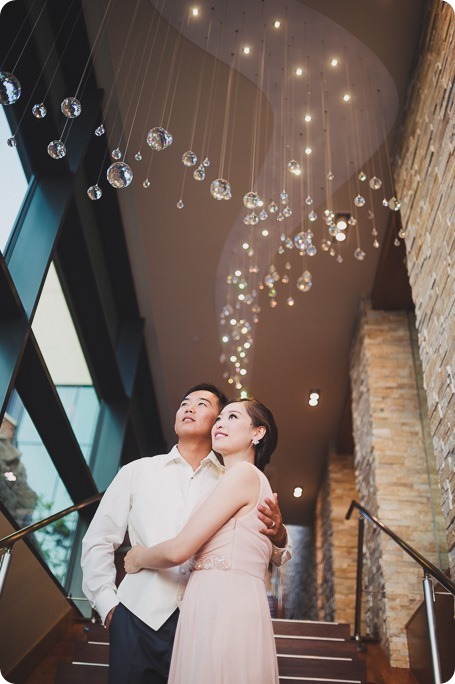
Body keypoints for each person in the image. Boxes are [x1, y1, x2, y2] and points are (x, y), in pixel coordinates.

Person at [81, 383, 290, 683]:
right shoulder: (137, 472)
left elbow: (269, 549)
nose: (189, 408)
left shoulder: (232, 477)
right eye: (184, 403)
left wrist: (280, 534)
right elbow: (99, 540)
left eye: (203, 404)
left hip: (205, 622)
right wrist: (108, 606)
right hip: (136, 617)